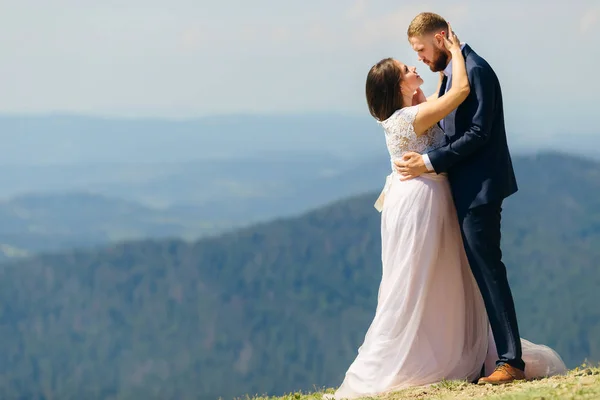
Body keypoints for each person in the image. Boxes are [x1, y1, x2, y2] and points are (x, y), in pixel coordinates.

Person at [327, 21, 566, 400]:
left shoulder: (466, 73)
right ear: (396, 86)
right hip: (424, 203)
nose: (417, 62)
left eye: (419, 52)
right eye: (409, 66)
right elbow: (456, 97)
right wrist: (453, 54)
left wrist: (455, 56)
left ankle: (499, 359)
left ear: (440, 38)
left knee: (466, 275)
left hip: (457, 193)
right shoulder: (417, 108)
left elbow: (475, 130)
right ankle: (488, 358)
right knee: (421, 281)